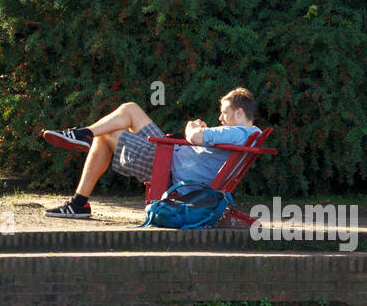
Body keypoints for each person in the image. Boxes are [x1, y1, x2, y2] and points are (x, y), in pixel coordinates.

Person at [40, 87, 260, 219]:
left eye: (224, 113)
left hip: (166, 164)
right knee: (129, 109)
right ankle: (83, 134)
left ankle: (78, 202)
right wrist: (199, 133)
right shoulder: (247, 134)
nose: (220, 119)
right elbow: (201, 144)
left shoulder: (237, 132)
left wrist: (192, 126)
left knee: (107, 134)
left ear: (239, 112)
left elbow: (195, 137)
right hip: (170, 154)